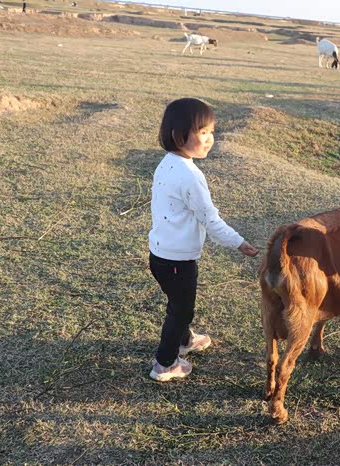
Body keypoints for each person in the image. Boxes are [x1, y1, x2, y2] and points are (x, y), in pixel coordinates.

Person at [148, 98, 259, 382]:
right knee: (181, 310)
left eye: (211, 131)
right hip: (178, 261)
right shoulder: (190, 176)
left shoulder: (167, 163)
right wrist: (239, 242)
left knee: (178, 304)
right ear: (179, 135)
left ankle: (185, 340)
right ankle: (164, 364)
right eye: (203, 132)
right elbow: (211, 220)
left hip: (159, 254)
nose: (210, 139)